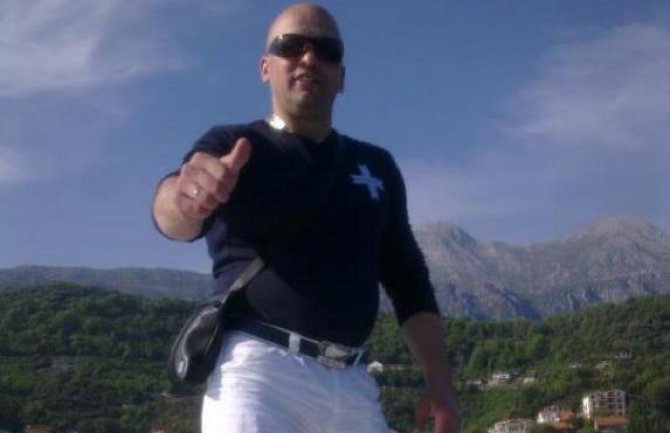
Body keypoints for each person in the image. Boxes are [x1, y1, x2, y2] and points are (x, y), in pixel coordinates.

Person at [152, 3, 459, 433]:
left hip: (353, 385)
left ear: (342, 77)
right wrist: (183, 197)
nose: (309, 58)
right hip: (259, 376)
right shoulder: (233, 145)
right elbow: (174, 216)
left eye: (326, 51)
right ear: (265, 67)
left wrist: (439, 383)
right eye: (291, 46)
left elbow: (408, 280)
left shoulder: (376, 166)